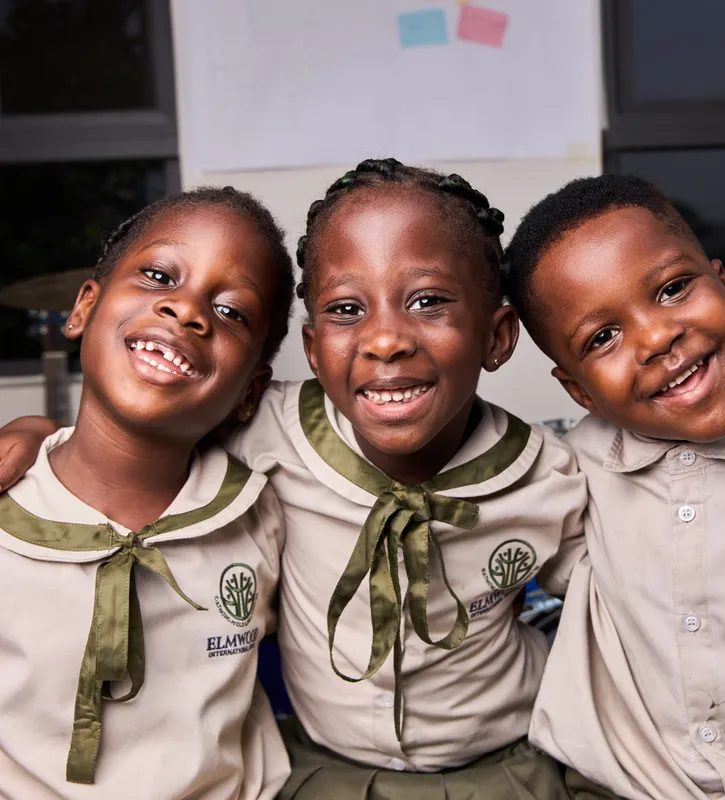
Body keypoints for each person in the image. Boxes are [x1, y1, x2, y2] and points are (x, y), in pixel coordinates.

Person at [0, 159, 617, 799]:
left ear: (498, 336)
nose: (385, 340)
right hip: (327, 774)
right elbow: (141, 420)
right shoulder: (269, 430)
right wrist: (40, 434)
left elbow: (631, 605)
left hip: (506, 765)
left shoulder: (555, 474)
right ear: (314, 349)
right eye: (348, 309)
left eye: (428, 300)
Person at [504, 174, 725, 799]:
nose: (656, 337)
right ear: (579, 391)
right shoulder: (568, 472)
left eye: (672, 289)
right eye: (603, 338)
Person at [0, 186, 294, 798]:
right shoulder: (7, 503)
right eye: (159, 275)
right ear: (83, 308)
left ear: (250, 389)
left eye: (232, 311)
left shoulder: (266, 512)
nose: (188, 311)